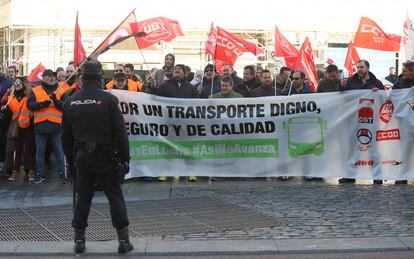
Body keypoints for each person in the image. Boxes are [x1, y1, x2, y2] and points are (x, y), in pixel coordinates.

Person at [62, 61, 133, 254]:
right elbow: (120, 132)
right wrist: (125, 158)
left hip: (82, 158)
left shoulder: (70, 101)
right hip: (107, 157)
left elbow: (65, 137)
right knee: (115, 196)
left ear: (82, 79)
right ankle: (123, 241)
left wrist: (70, 161)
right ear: (100, 78)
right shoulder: (109, 100)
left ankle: (79, 240)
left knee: (83, 197)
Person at [149, 64, 198, 182]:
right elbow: (155, 99)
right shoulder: (164, 86)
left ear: (185, 73)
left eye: (179, 69)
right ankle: (166, 171)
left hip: (186, 123)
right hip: (169, 122)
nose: (176, 70)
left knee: (187, 148)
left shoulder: (191, 87)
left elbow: (196, 103)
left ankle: (190, 171)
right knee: (168, 147)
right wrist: (153, 87)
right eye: (175, 69)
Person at [339, 60, 384, 184]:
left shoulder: (377, 83)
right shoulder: (350, 82)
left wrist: (378, 93)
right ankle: (350, 175)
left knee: (373, 149)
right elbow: (341, 98)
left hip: (371, 121)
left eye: (362, 67)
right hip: (354, 120)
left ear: (368, 68)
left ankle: (377, 176)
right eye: (357, 67)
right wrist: (341, 87)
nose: (359, 69)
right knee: (353, 149)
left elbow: (385, 100)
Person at [27, 69, 67, 184]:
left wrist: (56, 101)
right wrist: (41, 105)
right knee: (40, 152)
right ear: (43, 77)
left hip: (56, 126)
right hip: (41, 126)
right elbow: (29, 105)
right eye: (49, 76)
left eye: (54, 76)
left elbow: (66, 106)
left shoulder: (61, 90)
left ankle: (62, 176)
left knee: (59, 151)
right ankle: (40, 176)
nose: (52, 78)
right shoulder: (35, 90)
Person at [1, 77, 35, 182]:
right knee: (18, 149)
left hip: (28, 126)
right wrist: (4, 107)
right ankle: (15, 171)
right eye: (15, 82)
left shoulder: (29, 96)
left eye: (19, 82)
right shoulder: (12, 98)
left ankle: (30, 170)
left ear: (24, 84)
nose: (16, 84)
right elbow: (8, 109)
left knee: (29, 149)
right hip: (16, 126)